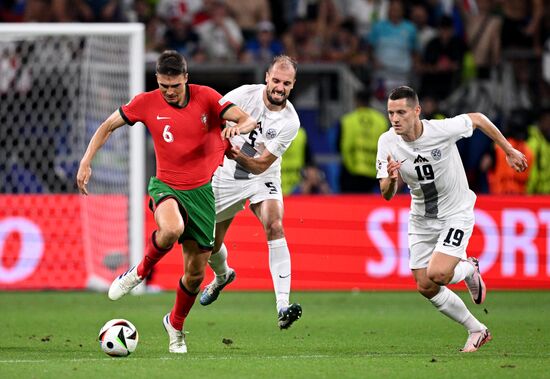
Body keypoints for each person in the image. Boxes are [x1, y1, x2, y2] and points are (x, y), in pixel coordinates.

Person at [76, 50, 257, 354]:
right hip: (166, 186)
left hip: (201, 193)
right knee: (171, 229)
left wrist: (238, 127)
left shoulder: (207, 98)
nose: (170, 92)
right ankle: (138, 272)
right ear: (157, 81)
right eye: (163, 86)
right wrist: (86, 161)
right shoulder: (145, 102)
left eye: (175, 85)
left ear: (186, 78)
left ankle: (175, 325)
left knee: (196, 274)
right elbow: (107, 125)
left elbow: (247, 118)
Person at [376, 86, 527, 352]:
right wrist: (390, 179)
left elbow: (478, 119)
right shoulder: (387, 142)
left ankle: (469, 267)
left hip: (455, 212)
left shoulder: (441, 130)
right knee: (425, 285)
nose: (395, 119)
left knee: (439, 273)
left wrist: (508, 150)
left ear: (417, 112)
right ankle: (477, 329)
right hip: (421, 217)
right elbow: (387, 195)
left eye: (401, 112)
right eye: (391, 113)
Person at [199, 55, 303, 329]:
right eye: (276, 80)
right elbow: (212, 117)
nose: (280, 87)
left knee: (275, 225)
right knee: (207, 244)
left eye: (286, 83)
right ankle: (222, 276)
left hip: (260, 175)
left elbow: (261, 165)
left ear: (292, 86)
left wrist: (235, 154)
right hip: (226, 178)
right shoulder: (244, 95)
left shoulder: (290, 122)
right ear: (267, 77)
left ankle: (283, 305)